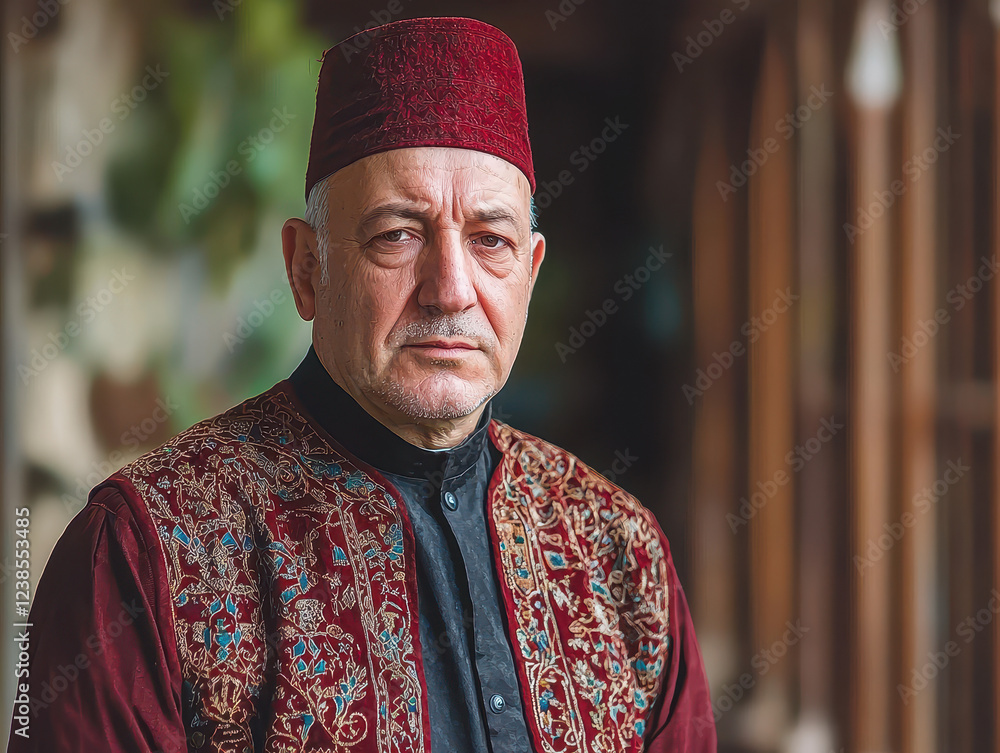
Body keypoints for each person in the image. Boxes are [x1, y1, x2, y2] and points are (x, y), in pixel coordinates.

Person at [8, 16, 716, 753]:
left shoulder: (621, 553)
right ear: (306, 268)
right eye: (397, 234)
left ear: (530, 273)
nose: (450, 290)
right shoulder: (142, 554)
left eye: (490, 241)